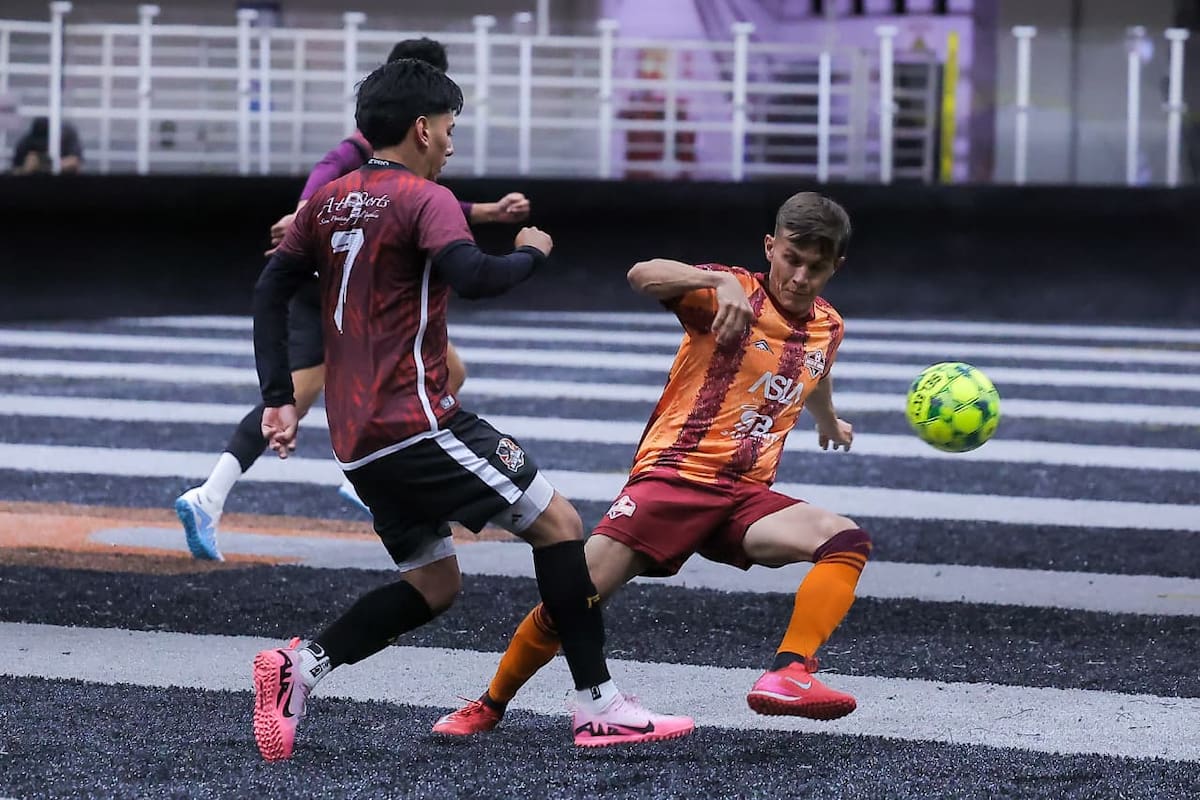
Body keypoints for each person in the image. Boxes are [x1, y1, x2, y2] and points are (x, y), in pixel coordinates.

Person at [248, 58, 693, 762]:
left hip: (357, 441)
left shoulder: (327, 200)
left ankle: (300, 669)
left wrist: (278, 396)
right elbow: (477, 277)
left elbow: (271, 293)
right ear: (422, 128)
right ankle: (597, 704)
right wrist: (532, 253)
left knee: (434, 583)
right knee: (561, 524)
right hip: (416, 422)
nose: (453, 144)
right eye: (450, 128)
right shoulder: (425, 196)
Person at [431, 191, 872, 737]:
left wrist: (828, 418)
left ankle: (790, 672)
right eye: (791, 258)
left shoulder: (829, 324)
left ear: (836, 266)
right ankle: (489, 704)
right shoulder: (731, 295)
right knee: (574, 600)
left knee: (844, 540)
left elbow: (817, 364)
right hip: (676, 480)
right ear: (770, 247)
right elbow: (642, 273)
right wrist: (719, 282)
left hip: (743, 497)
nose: (801, 276)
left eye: (817, 266)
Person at [174, 37, 530, 560]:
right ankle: (214, 494)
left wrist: (489, 213)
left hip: (347, 291)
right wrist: (302, 216)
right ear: (421, 118)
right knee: (322, 388)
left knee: (434, 371)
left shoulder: (384, 159)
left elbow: (413, 204)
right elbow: (340, 195)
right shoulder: (355, 152)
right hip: (341, 292)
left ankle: (216, 493)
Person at [10, 117, 83, 174]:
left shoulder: (67, 136)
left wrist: (52, 166)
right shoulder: (26, 142)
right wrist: (26, 169)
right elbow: (15, 169)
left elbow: (74, 161)